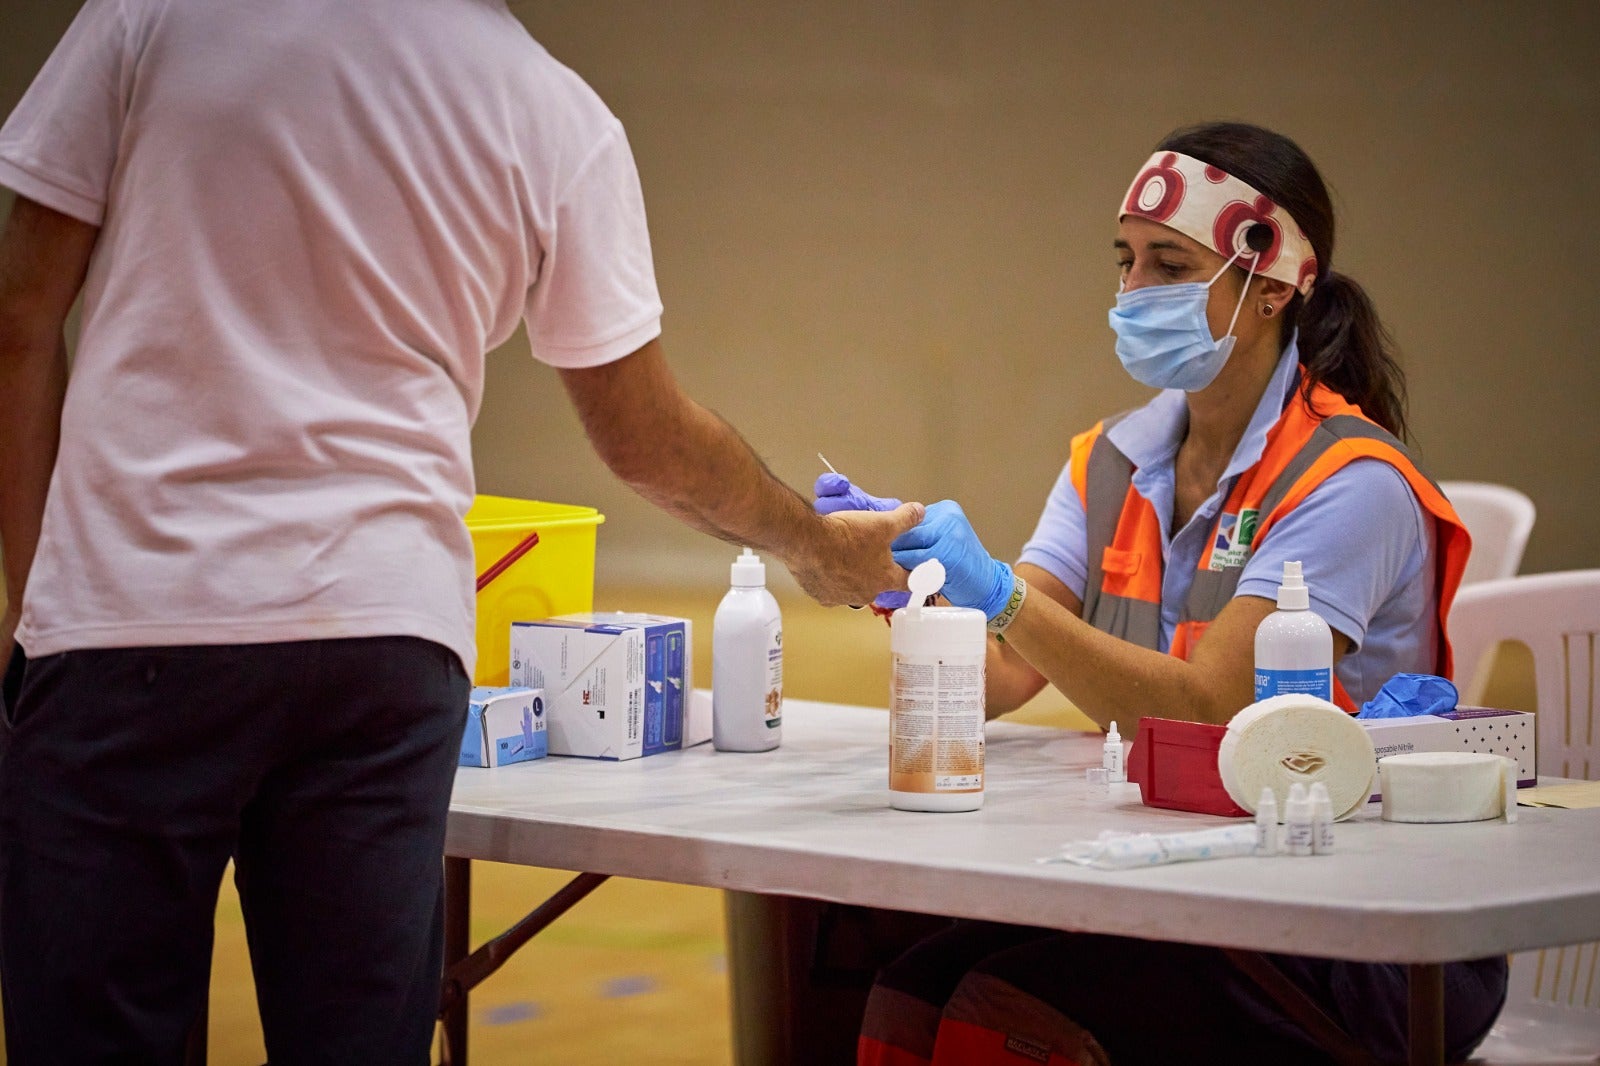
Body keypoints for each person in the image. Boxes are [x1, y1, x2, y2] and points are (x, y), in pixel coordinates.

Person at [0, 2, 921, 1062]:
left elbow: (22, 317)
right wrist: (811, 541)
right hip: (382, 646)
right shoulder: (550, 109)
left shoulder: (156, 14)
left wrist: (37, 603)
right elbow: (647, 442)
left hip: (134, 624)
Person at [822, 123, 1505, 1064]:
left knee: (1008, 1008)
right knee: (904, 981)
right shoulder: (1111, 458)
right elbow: (1000, 676)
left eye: (1170, 265)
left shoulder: (1351, 481)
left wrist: (1005, 597)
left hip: (1364, 924)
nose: (1132, 292)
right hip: (1195, 882)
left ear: (1270, 287)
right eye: (1127, 261)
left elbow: (1218, 714)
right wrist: (906, 588)